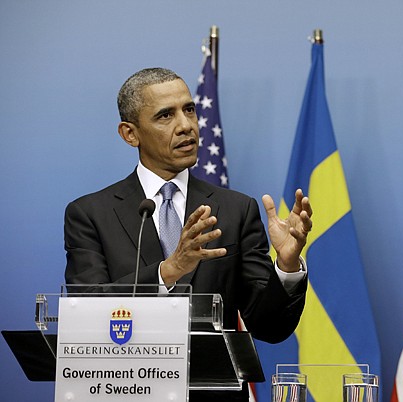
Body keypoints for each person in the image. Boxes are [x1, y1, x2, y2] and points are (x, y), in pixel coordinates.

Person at [64, 67, 312, 401]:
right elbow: (87, 309)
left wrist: (286, 266)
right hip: (126, 391)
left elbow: (270, 327)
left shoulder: (237, 210)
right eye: (165, 115)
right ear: (130, 133)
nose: (186, 125)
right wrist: (169, 271)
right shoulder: (90, 214)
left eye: (189, 110)